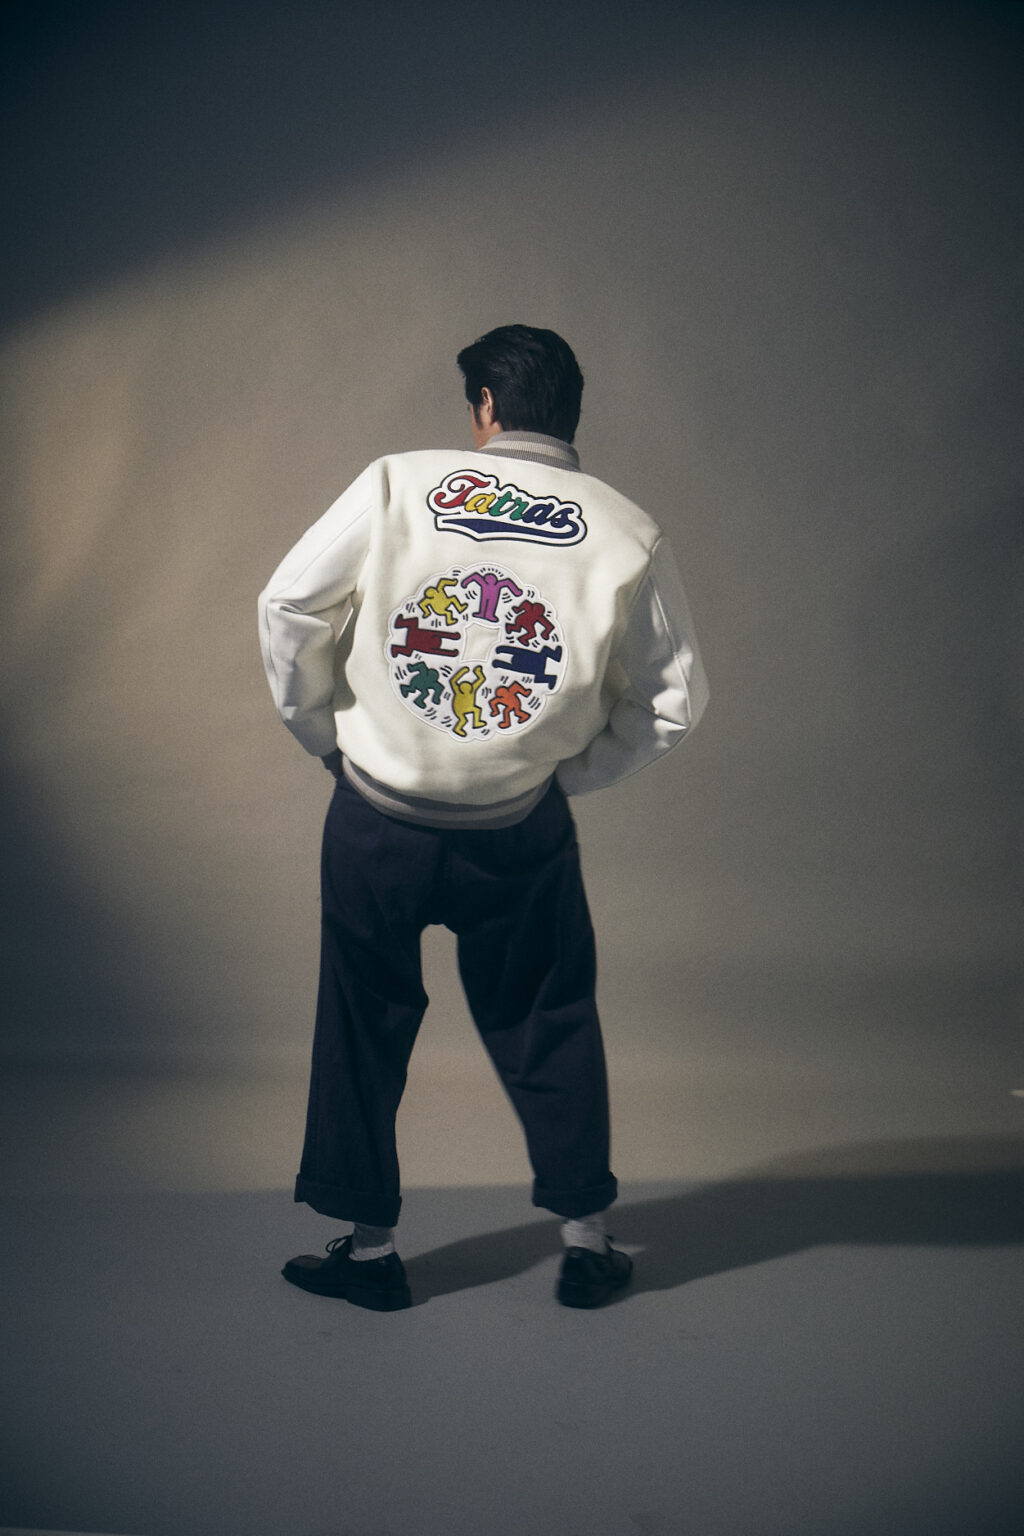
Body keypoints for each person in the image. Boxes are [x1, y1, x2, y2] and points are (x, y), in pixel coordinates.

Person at [258, 324, 708, 1311]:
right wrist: (561, 773)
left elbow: (290, 604)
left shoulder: (396, 483)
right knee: (548, 1015)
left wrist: (322, 736)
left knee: (362, 1020)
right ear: (570, 413)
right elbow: (674, 703)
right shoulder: (626, 529)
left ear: (487, 408)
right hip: (517, 831)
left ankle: (370, 1252)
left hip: (378, 818)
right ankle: (586, 1242)